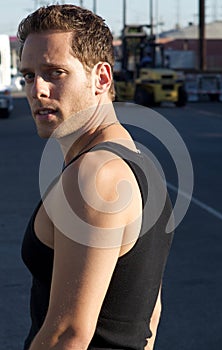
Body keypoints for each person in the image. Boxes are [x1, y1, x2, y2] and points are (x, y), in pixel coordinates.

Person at [18, 4, 173, 350]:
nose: (36, 90)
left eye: (54, 72)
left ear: (100, 78)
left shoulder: (95, 175)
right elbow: (150, 315)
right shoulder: (142, 165)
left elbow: (68, 334)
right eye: (28, 76)